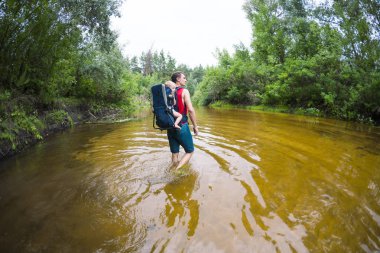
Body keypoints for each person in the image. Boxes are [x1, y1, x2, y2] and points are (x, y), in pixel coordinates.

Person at [167, 71, 199, 170]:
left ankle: (172, 170)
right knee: (190, 151)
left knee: (175, 153)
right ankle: (176, 171)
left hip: (170, 126)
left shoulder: (167, 92)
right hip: (182, 125)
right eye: (184, 78)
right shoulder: (184, 91)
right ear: (178, 79)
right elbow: (190, 110)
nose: (186, 80)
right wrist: (195, 126)